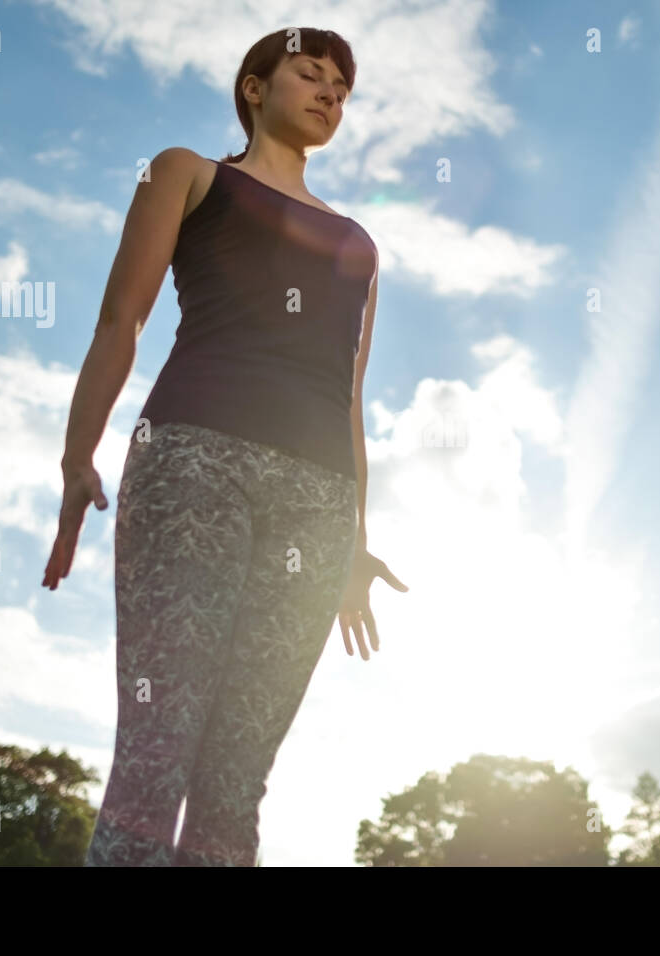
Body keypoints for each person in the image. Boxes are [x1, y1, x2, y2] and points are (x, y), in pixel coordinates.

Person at [41, 27, 408, 866]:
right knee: (158, 748)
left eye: (342, 89)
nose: (329, 94)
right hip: (194, 463)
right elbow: (119, 322)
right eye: (309, 75)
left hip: (316, 503)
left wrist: (354, 543)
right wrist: (76, 459)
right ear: (253, 88)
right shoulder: (187, 173)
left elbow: (348, 397)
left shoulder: (359, 245)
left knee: (237, 775)